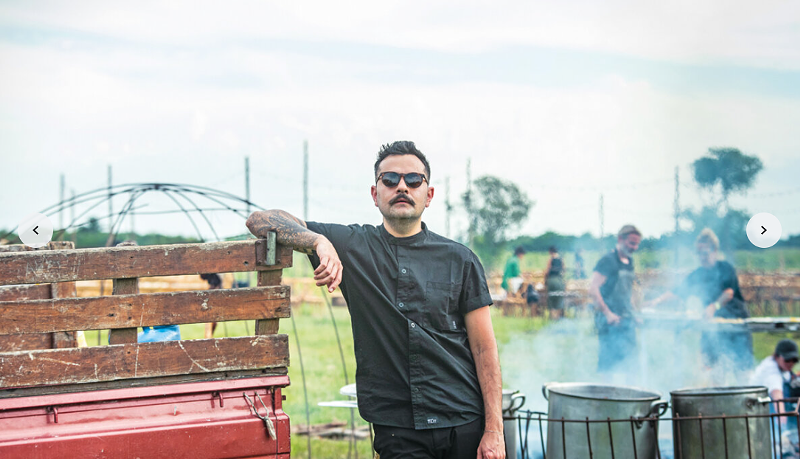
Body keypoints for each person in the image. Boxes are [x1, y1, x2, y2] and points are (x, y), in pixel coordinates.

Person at [246, 141, 504, 459]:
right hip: (398, 428)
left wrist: (494, 430)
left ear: (429, 195)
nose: (402, 187)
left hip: (463, 420)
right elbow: (260, 220)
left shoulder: (460, 259)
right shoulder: (353, 245)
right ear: (375, 193)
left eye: (414, 180)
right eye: (390, 179)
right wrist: (318, 241)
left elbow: (484, 348)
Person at [648, 228, 753, 382]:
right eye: (698, 253)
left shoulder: (725, 268)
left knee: (742, 374)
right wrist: (655, 302)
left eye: (704, 252)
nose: (701, 257)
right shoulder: (697, 274)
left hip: (735, 327)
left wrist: (714, 307)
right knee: (715, 373)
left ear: (714, 250)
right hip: (711, 328)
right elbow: (677, 292)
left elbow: (729, 293)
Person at [589, 225, 642, 376]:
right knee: (608, 366)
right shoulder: (608, 261)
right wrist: (608, 314)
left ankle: (629, 391)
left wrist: (635, 314)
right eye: (631, 243)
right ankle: (607, 391)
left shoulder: (629, 261)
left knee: (630, 363)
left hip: (626, 319)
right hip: (609, 322)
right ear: (620, 239)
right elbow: (593, 289)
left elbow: (627, 292)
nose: (634, 247)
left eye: (637, 244)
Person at [749, 339, 800, 457]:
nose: (791, 363)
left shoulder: (781, 367)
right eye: (787, 359)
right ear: (777, 356)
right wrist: (784, 430)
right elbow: (777, 397)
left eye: (794, 360)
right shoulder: (771, 371)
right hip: (761, 414)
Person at [545, 246, 565, 319]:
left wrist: (545, 280)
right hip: (559, 280)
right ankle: (559, 317)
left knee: (551, 298)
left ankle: (553, 317)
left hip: (551, 280)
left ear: (550, 252)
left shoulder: (551, 260)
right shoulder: (561, 259)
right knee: (559, 297)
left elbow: (547, 272)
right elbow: (564, 270)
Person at [200, 273, 223, 339]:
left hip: (215, 289)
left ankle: (209, 336)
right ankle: (208, 337)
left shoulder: (216, 279)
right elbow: (202, 276)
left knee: (214, 322)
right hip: (212, 291)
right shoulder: (212, 278)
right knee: (210, 321)